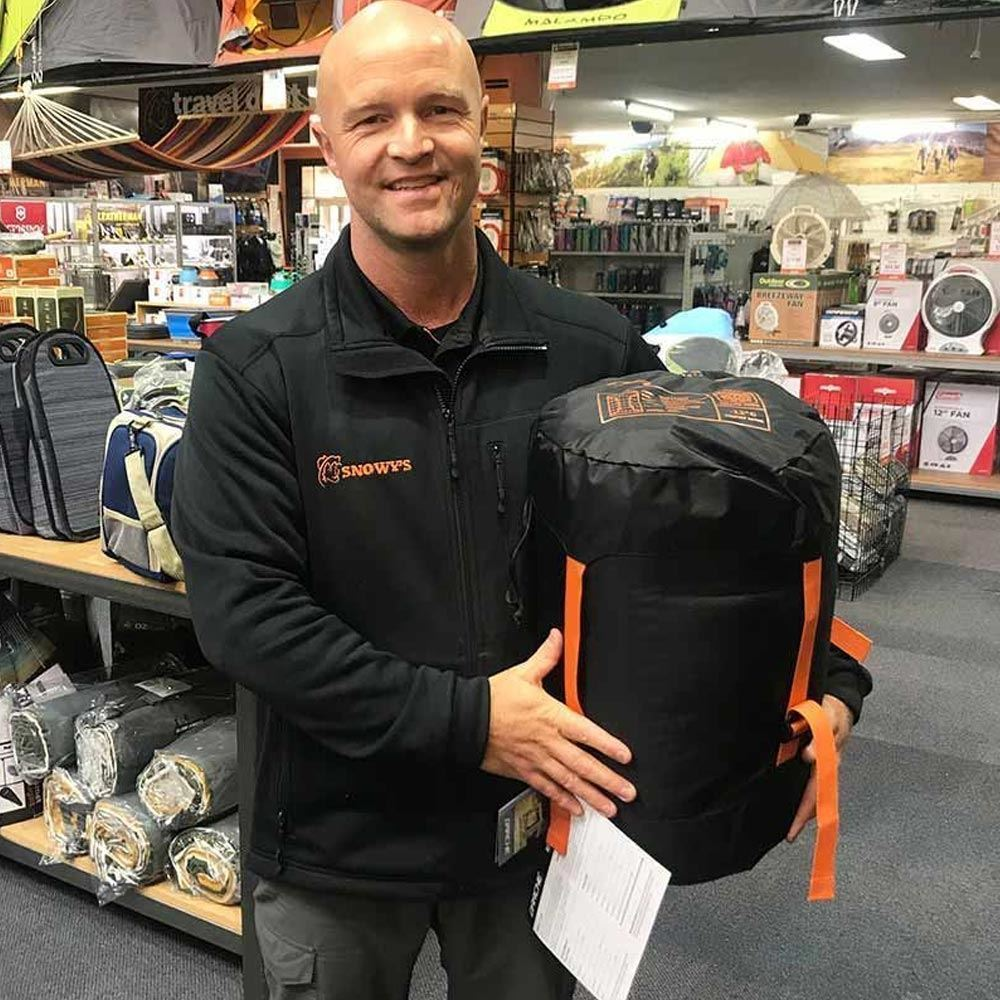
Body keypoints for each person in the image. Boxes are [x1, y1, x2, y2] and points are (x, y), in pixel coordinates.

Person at [172, 5, 871, 999]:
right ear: (325, 145)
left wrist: (829, 681)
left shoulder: (592, 350)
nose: (411, 144)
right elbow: (246, 618)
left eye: (439, 110)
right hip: (337, 842)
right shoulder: (257, 369)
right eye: (372, 119)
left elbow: (716, 536)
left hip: (544, 826)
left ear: (481, 129)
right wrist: (471, 722)